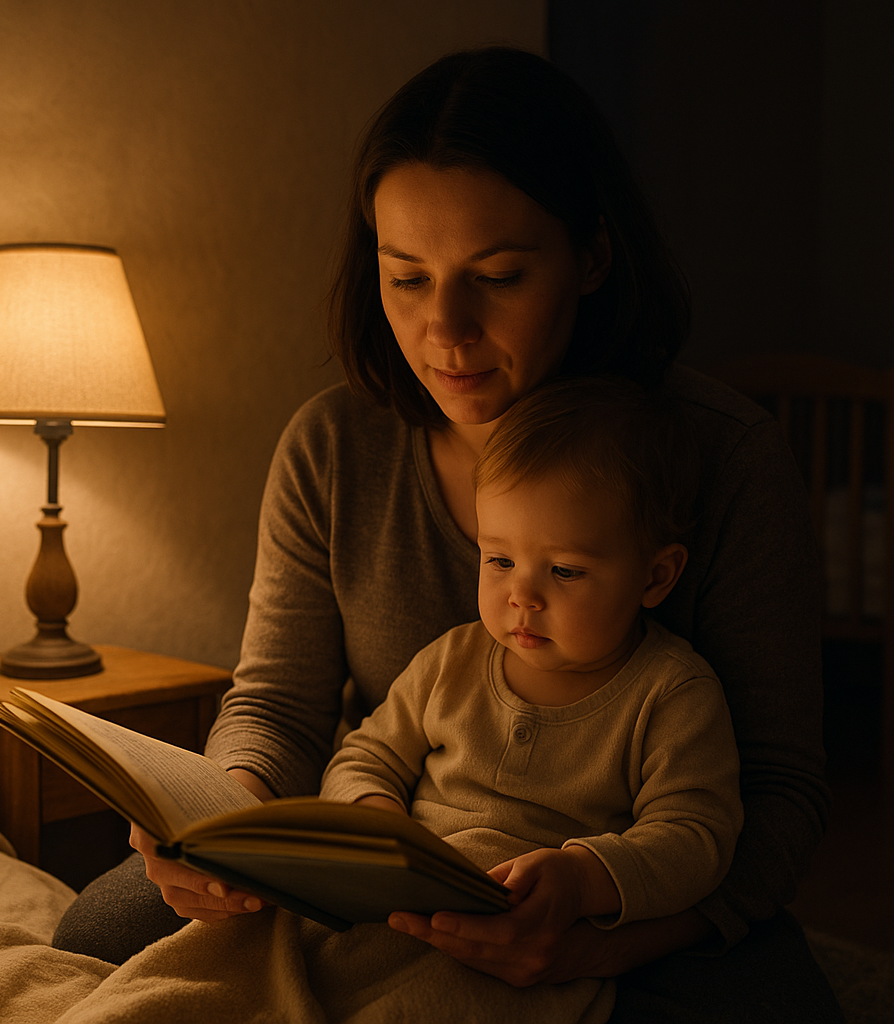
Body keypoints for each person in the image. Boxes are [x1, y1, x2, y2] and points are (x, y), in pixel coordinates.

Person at [54, 45, 841, 1023]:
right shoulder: (333, 444)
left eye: (498, 275)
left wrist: (596, 933)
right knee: (101, 929)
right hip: (399, 860)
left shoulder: (721, 456)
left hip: (618, 889)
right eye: (406, 277)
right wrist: (218, 820)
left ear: (590, 256)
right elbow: (282, 709)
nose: (445, 331)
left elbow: (776, 794)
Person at [318, 375, 744, 1012]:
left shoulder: (671, 694)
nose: (522, 595)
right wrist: (378, 821)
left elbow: (695, 837)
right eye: (498, 560)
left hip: (517, 940)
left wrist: (581, 880)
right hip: (400, 900)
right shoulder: (452, 660)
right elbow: (364, 756)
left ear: (656, 576)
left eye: (565, 570)